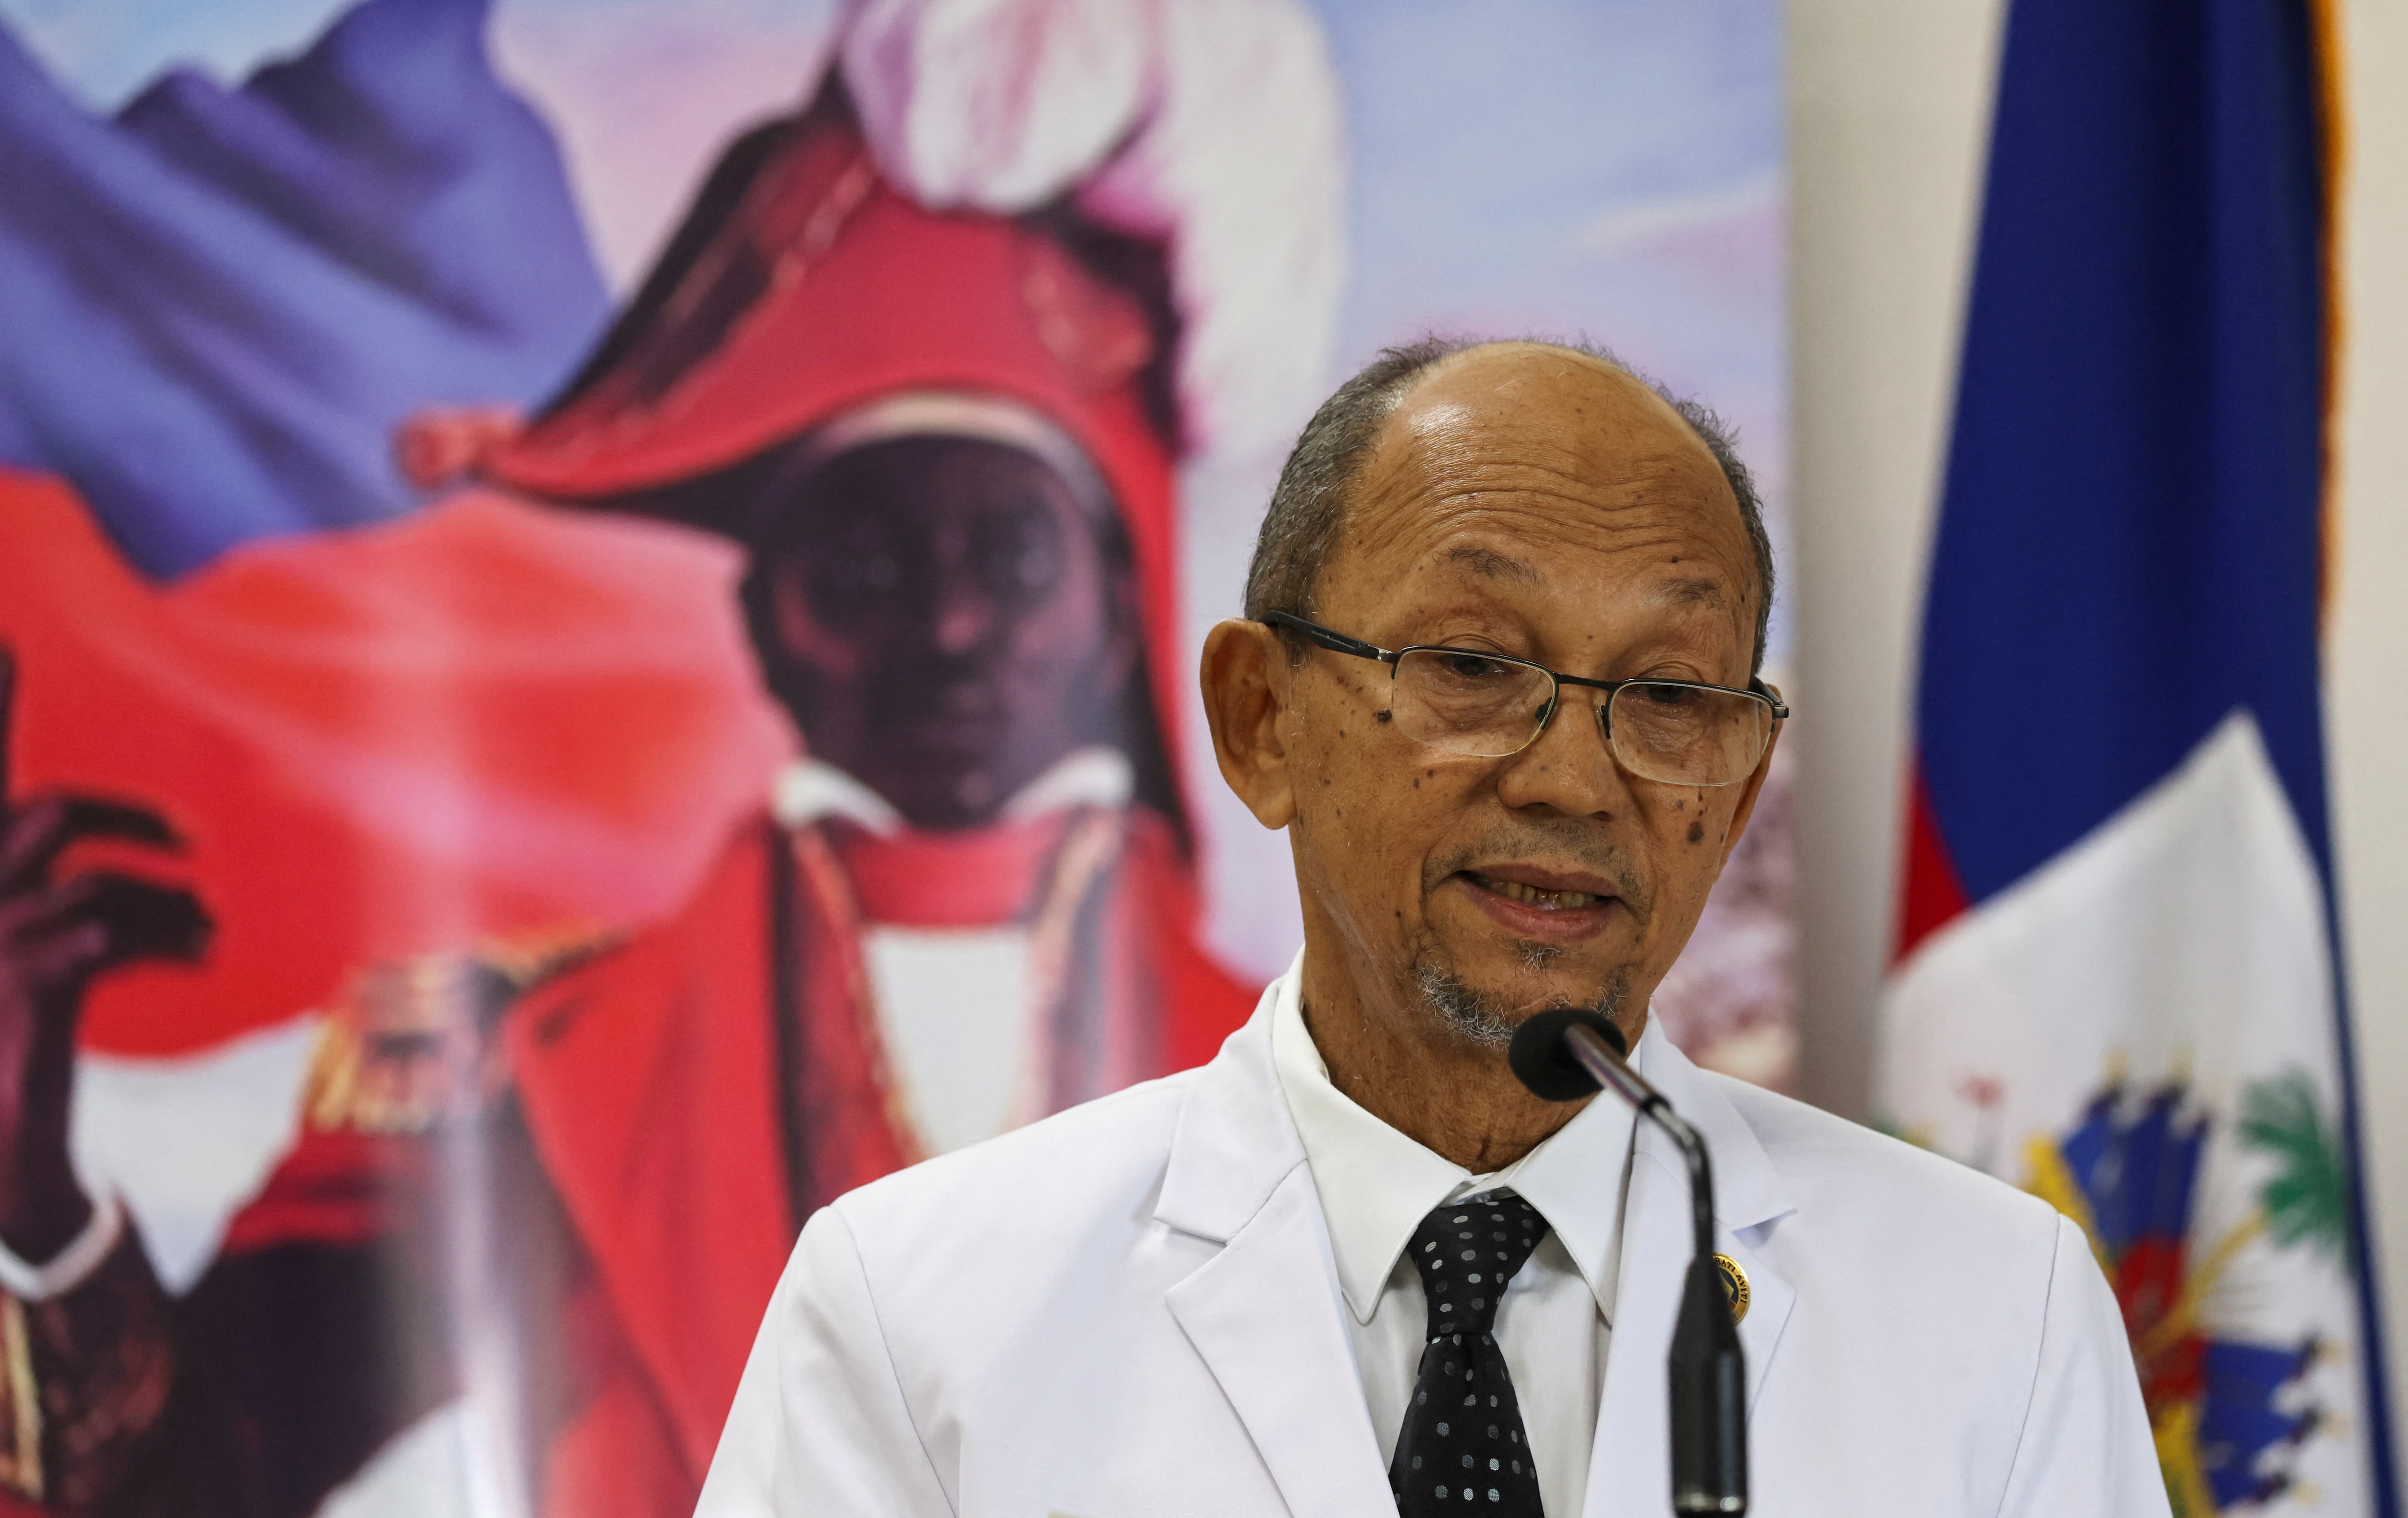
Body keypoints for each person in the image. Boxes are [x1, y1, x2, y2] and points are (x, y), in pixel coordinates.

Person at [0, 0, 1340, 1515]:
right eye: (865, 563)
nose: (952, 624)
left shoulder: (1336, 1096)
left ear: (1116, 602)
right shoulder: (511, 1069)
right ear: (761, 620)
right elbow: (182, 1484)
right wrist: (19, 1171)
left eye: (1015, 557)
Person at [694, 337, 2170, 1518]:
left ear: (1737, 786)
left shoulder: (1995, 1312)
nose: (1575, 779)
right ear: (1260, 719)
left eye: (1669, 695)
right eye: (1472, 663)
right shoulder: (922, 1311)